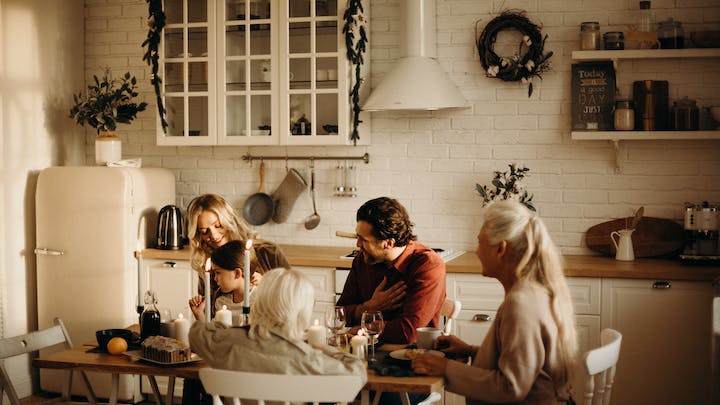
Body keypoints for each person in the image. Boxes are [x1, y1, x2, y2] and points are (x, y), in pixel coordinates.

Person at [411, 200, 578, 404]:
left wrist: (446, 368)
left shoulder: (521, 303)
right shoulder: (532, 291)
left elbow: (510, 388)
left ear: (501, 249)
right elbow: (525, 365)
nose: (477, 251)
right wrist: (469, 351)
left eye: (480, 241)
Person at [189, 267, 367, 382]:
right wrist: (320, 347)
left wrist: (242, 330)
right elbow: (357, 370)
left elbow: (198, 331)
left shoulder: (227, 342)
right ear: (301, 311)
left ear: (259, 302)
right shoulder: (309, 358)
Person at [336, 196, 446, 344]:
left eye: (364, 240)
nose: (358, 244)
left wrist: (361, 328)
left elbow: (409, 332)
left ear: (388, 243)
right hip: (365, 351)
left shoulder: (428, 266)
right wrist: (369, 307)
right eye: (358, 237)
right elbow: (340, 313)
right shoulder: (363, 259)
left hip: (412, 358)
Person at [186, 193, 290, 317]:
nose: (214, 235)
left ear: (229, 220)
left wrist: (267, 283)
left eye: (218, 225)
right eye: (204, 231)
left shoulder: (267, 252)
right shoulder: (208, 266)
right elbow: (210, 318)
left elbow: (294, 294)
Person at [188, 240, 265, 323]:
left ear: (237, 273)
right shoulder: (221, 302)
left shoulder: (260, 300)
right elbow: (212, 333)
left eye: (218, 273)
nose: (215, 278)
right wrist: (199, 314)